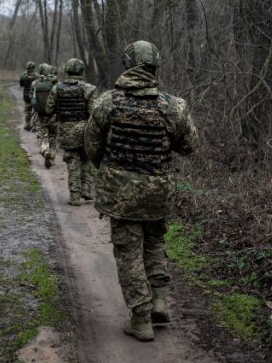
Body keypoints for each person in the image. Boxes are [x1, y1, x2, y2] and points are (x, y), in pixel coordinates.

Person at [84, 41, 197, 342]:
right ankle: (159, 299)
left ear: (127, 64)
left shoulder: (107, 103)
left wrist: (110, 171)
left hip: (122, 194)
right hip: (158, 192)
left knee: (128, 253)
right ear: (155, 66)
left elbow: (92, 146)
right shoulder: (173, 105)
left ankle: (141, 319)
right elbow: (189, 145)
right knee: (155, 241)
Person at [45, 57, 98, 205]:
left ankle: (75, 196)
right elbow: (94, 112)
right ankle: (86, 191)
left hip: (66, 130)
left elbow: (48, 109)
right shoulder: (89, 88)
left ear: (67, 70)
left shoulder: (57, 88)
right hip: (85, 129)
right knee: (85, 159)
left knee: (72, 160)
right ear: (81, 71)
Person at [30, 63, 58, 168]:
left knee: (42, 136)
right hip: (54, 115)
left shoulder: (35, 83)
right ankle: (52, 157)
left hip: (40, 115)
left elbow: (31, 97)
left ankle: (45, 150)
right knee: (53, 135)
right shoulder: (56, 83)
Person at [19, 61, 38, 130]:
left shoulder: (23, 76)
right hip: (35, 96)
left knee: (28, 111)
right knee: (36, 111)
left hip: (26, 96)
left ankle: (27, 125)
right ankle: (35, 126)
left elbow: (21, 84)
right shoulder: (37, 76)